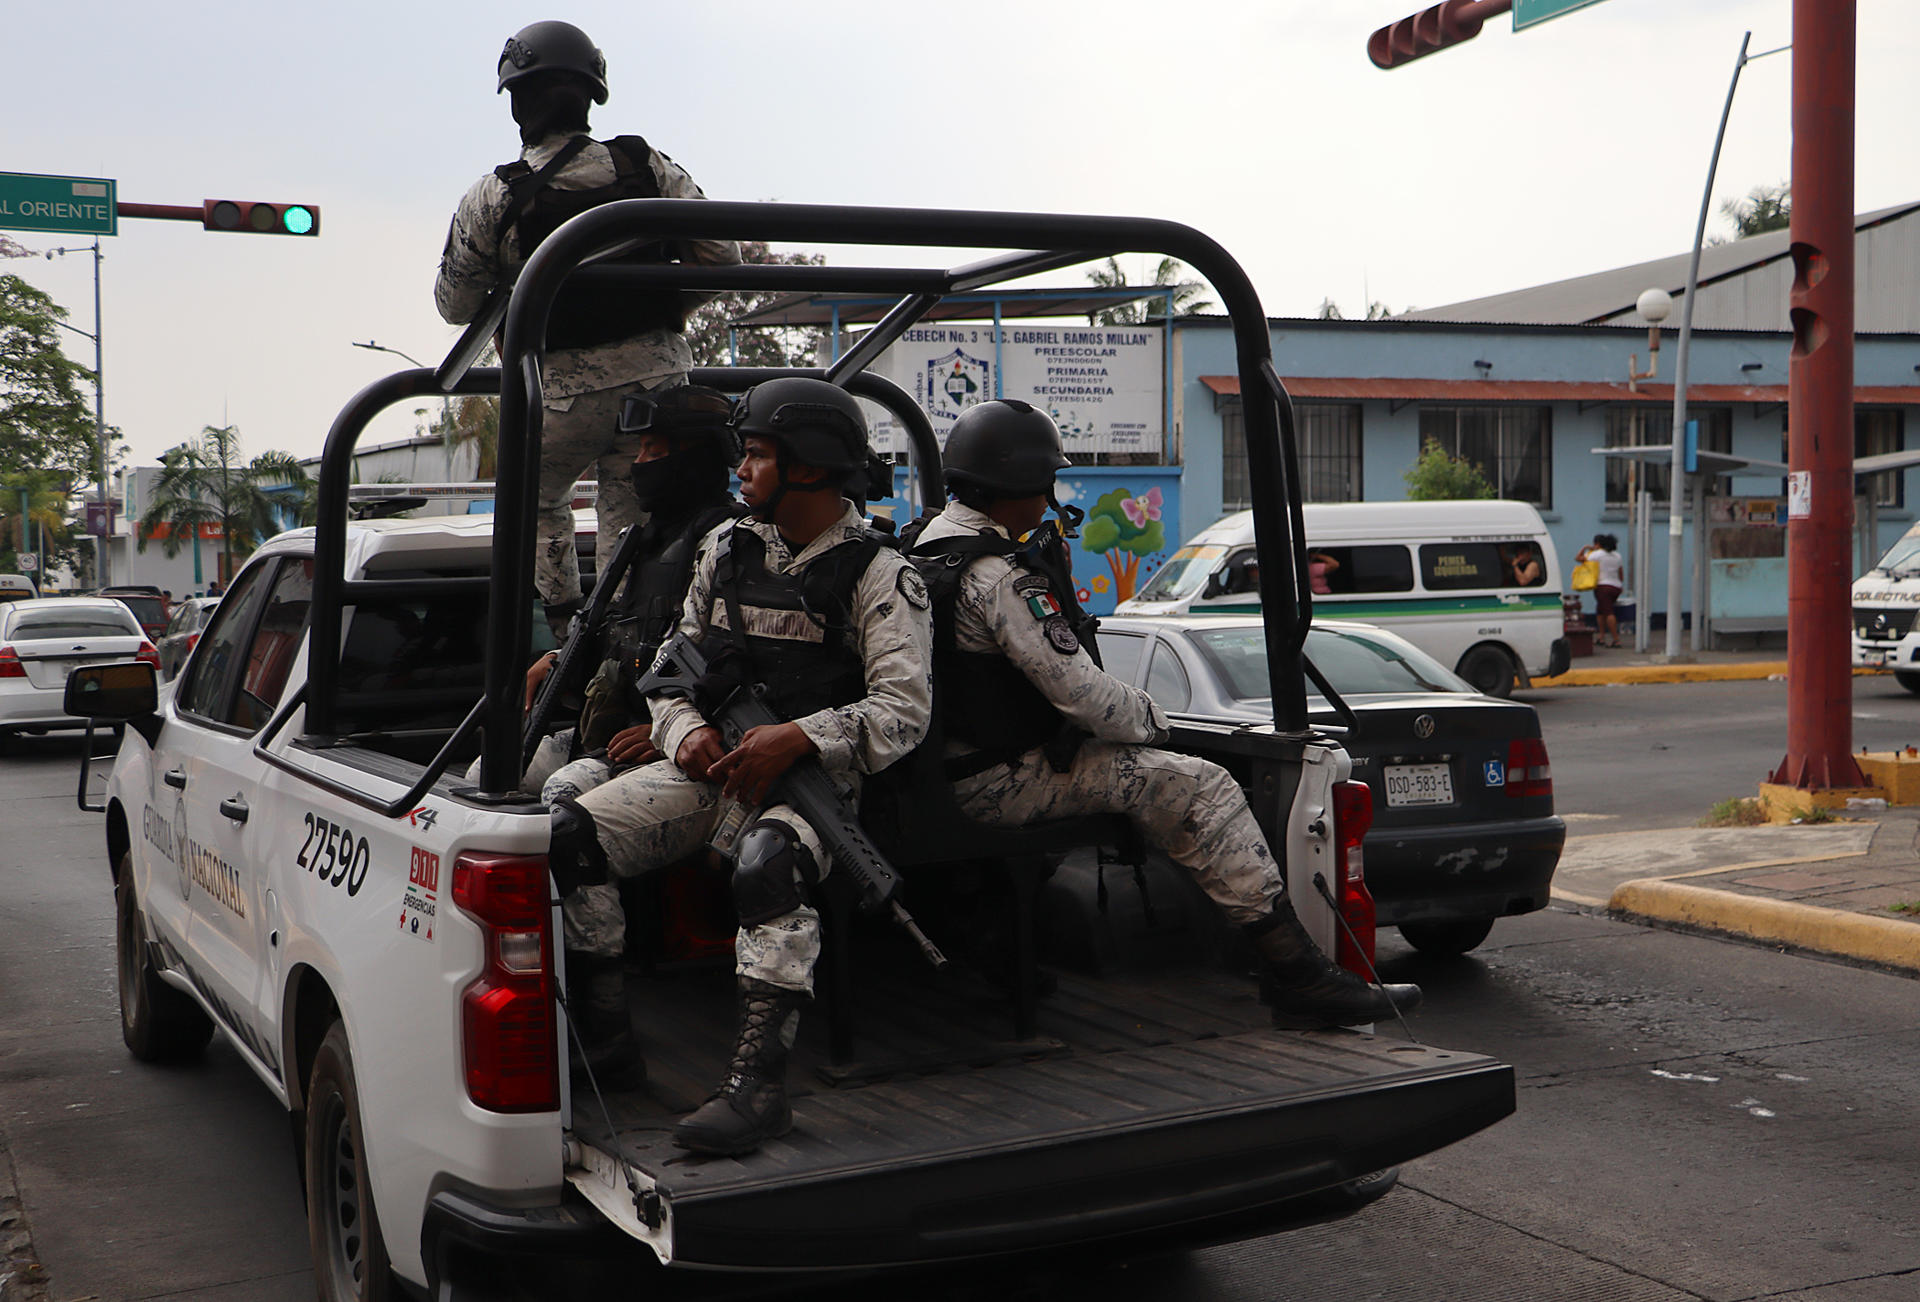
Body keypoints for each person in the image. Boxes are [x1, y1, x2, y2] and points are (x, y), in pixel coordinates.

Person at [908, 399, 1420, 1030]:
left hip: (941, 773)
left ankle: (999, 954)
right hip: (998, 782)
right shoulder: (1001, 579)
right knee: (1203, 787)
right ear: (1019, 483)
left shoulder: (921, 548)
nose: (1049, 499)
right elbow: (1086, 698)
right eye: (1046, 483)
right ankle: (1300, 975)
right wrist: (1158, 725)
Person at [547, 378, 933, 1156]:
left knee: (768, 864)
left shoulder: (880, 573)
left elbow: (903, 711)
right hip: (715, 766)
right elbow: (670, 664)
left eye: (757, 455)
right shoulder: (726, 547)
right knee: (567, 835)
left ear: (811, 465)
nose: (742, 469)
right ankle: (608, 1035)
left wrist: (799, 737)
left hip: (817, 785)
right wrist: (682, 729)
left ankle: (758, 1089)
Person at [435, 19, 741, 617]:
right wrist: (664, 306)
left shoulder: (495, 197)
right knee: (633, 515)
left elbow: (455, 305)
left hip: (557, 399)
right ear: (593, 95)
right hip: (658, 391)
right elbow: (722, 258)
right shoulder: (646, 167)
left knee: (533, 500)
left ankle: (566, 627)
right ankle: (627, 629)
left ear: (517, 101)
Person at [518, 387, 745, 1086]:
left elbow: (741, 664)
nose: (641, 465)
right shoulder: (646, 542)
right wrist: (559, 661)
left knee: (563, 804)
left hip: (680, 748)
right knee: (491, 781)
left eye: (656, 450)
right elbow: (621, 636)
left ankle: (605, 1022)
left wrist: (669, 728)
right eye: (639, 450)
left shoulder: (729, 544)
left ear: (697, 459)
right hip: (613, 732)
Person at [1578, 534, 1625, 647]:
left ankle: (1616, 640)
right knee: (1600, 611)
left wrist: (1586, 548)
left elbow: (1578, 558)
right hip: (1616, 587)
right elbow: (1621, 573)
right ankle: (1601, 636)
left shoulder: (1597, 555)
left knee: (1608, 612)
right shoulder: (1617, 556)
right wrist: (1620, 584)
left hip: (1603, 587)